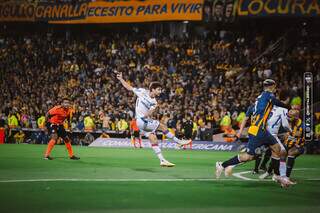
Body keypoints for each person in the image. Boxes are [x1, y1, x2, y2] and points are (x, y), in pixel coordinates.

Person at [215, 79, 292, 187]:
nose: (275, 89)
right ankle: (222, 164)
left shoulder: (259, 98)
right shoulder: (267, 95)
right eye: (274, 87)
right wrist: (289, 107)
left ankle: (276, 175)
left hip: (260, 130)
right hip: (258, 131)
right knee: (249, 156)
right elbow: (276, 102)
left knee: (277, 148)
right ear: (271, 87)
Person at [116, 71, 191, 167]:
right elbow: (128, 87)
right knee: (162, 126)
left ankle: (162, 160)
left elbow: (148, 114)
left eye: (160, 90)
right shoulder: (142, 91)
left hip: (142, 122)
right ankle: (178, 142)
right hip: (141, 121)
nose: (160, 92)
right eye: (158, 89)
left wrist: (149, 114)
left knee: (153, 139)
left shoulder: (154, 102)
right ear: (153, 89)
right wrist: (121, 79)